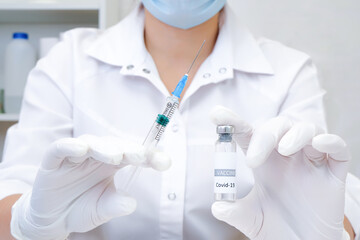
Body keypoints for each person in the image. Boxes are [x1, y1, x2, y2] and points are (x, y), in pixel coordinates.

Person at [0, 0, 359, 239]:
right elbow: (11, 190)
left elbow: (322, 200)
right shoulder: (67, 63)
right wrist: (29, 221)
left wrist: (323, 232)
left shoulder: (289, 72)